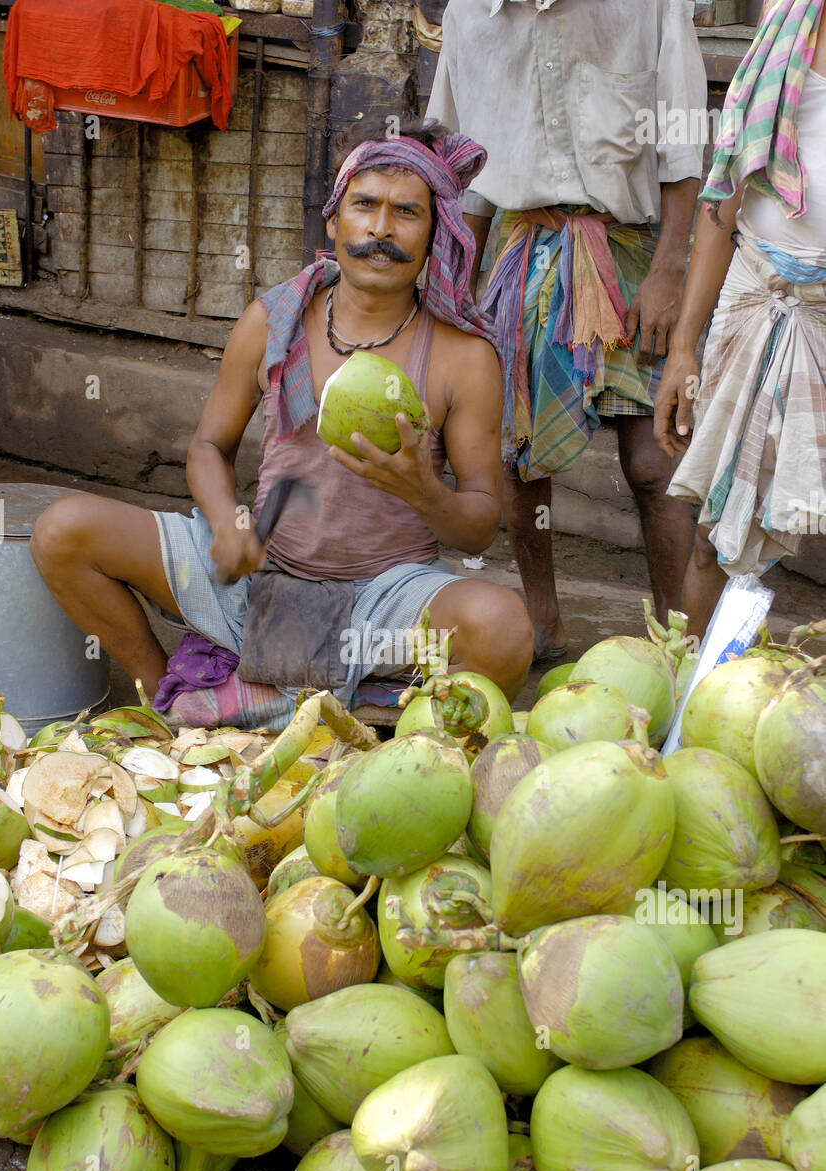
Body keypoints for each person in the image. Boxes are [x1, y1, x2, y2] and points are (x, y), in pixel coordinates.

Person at [31, 122, 534, 729]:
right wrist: (226, 522)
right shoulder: (273, 319)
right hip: (257, 584)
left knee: (503, 630)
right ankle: (167, 694)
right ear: (334, 221)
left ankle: (289, 697)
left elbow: (482, 525)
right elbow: (208, 447)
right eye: (364, 205)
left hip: (381, 603)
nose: (381, 229)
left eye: (407, 213)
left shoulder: (464, 357)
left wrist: (424, 493)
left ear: (432, 238)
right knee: (63, 531)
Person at [426, 0, 707, 659]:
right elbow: (461, 176)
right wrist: (455, 299)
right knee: (524, 457)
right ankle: (545, 628)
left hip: (633, 250)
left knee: (652, 458)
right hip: (526, 246)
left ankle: (675, 639)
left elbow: (684, 146)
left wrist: (671, 269)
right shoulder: (472, 14)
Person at [655, 0, 826, 637]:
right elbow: (721, 204)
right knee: (714, 536)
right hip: (754, 299)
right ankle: (680, 715)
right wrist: (683, 349)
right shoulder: (784, 33)